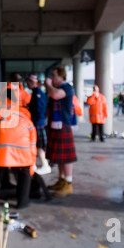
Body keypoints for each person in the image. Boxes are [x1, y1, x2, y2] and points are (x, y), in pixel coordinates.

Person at [0, 83, 37, 208]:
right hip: (24, 151)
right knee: (24, 174)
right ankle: (23, 202)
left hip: (3, 151)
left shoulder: (0, 112)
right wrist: (31, 167)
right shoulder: (25, 116)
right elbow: (32, 143)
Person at [44, 66, 77, 197]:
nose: (52, 78)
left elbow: (55, 95)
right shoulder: (59, 88)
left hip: (63, 125)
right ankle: (62, 180)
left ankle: (68, 183)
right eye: (51, 75)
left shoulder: (67, 88)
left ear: (61, 76)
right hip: (55, 125)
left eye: (54, 75)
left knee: (66, 157)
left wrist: (47, 85)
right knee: (59, 156)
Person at [25, 74, 50, 175]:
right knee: (36, 145)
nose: (27, 85)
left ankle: (45, 165)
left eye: (28, 83)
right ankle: (37, 164)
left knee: (38, 145)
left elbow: (39, 109)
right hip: (38, 122)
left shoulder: (38, 93)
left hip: (38, 122)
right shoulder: (36, 93)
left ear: (33, 83)